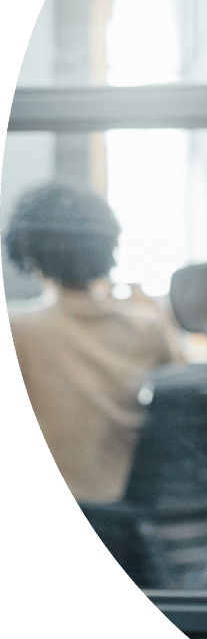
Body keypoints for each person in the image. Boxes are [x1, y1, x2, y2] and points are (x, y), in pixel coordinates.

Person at [5, 181, 179, 504]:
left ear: (27, 250)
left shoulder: (19, 328)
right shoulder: (146, 325)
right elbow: (188, 394)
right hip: (127, 505)